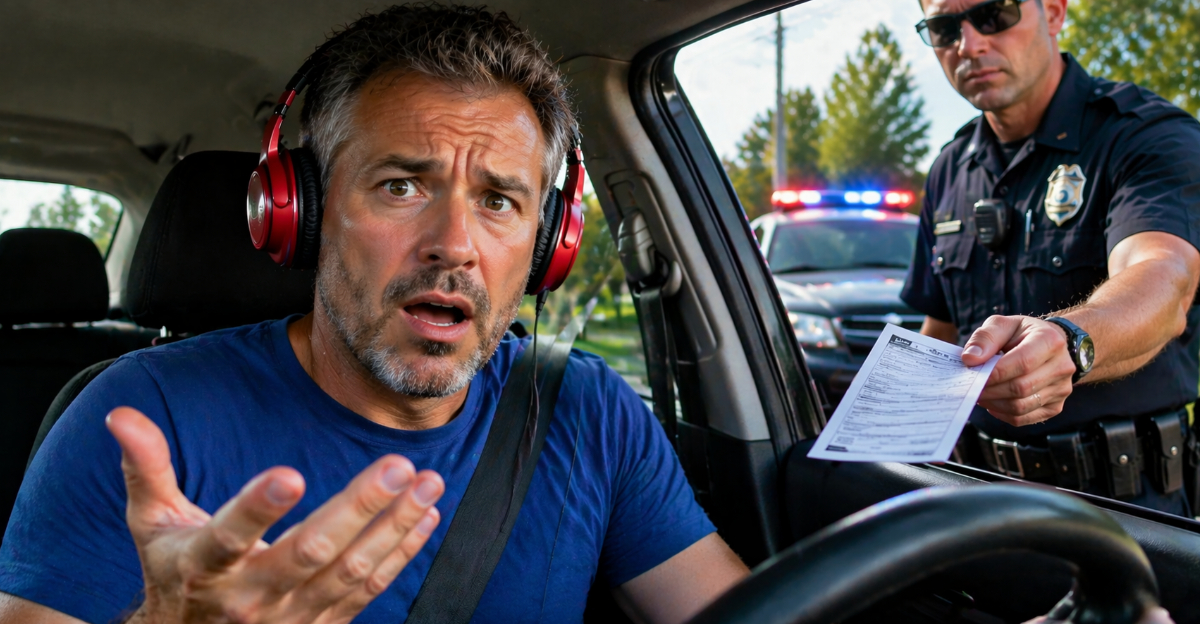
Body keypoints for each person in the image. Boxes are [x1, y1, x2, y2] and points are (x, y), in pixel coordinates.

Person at [0, 5, 750, 623]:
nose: (453, 245)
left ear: (548, 243)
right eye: (400, 186)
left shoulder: (587, 415)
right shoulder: (140, 423)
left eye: (498, 201)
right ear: (302, 212)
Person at [903, 0, 1200, 517]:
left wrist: (1070, 340)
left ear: (1056, 13)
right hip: (975, 497)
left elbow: (1162, 280)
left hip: (1125, 507)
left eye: (993, 15)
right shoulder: (950, 168)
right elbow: (943, 327)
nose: (969, 45)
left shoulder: (1141, 136)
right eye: (944, 28)